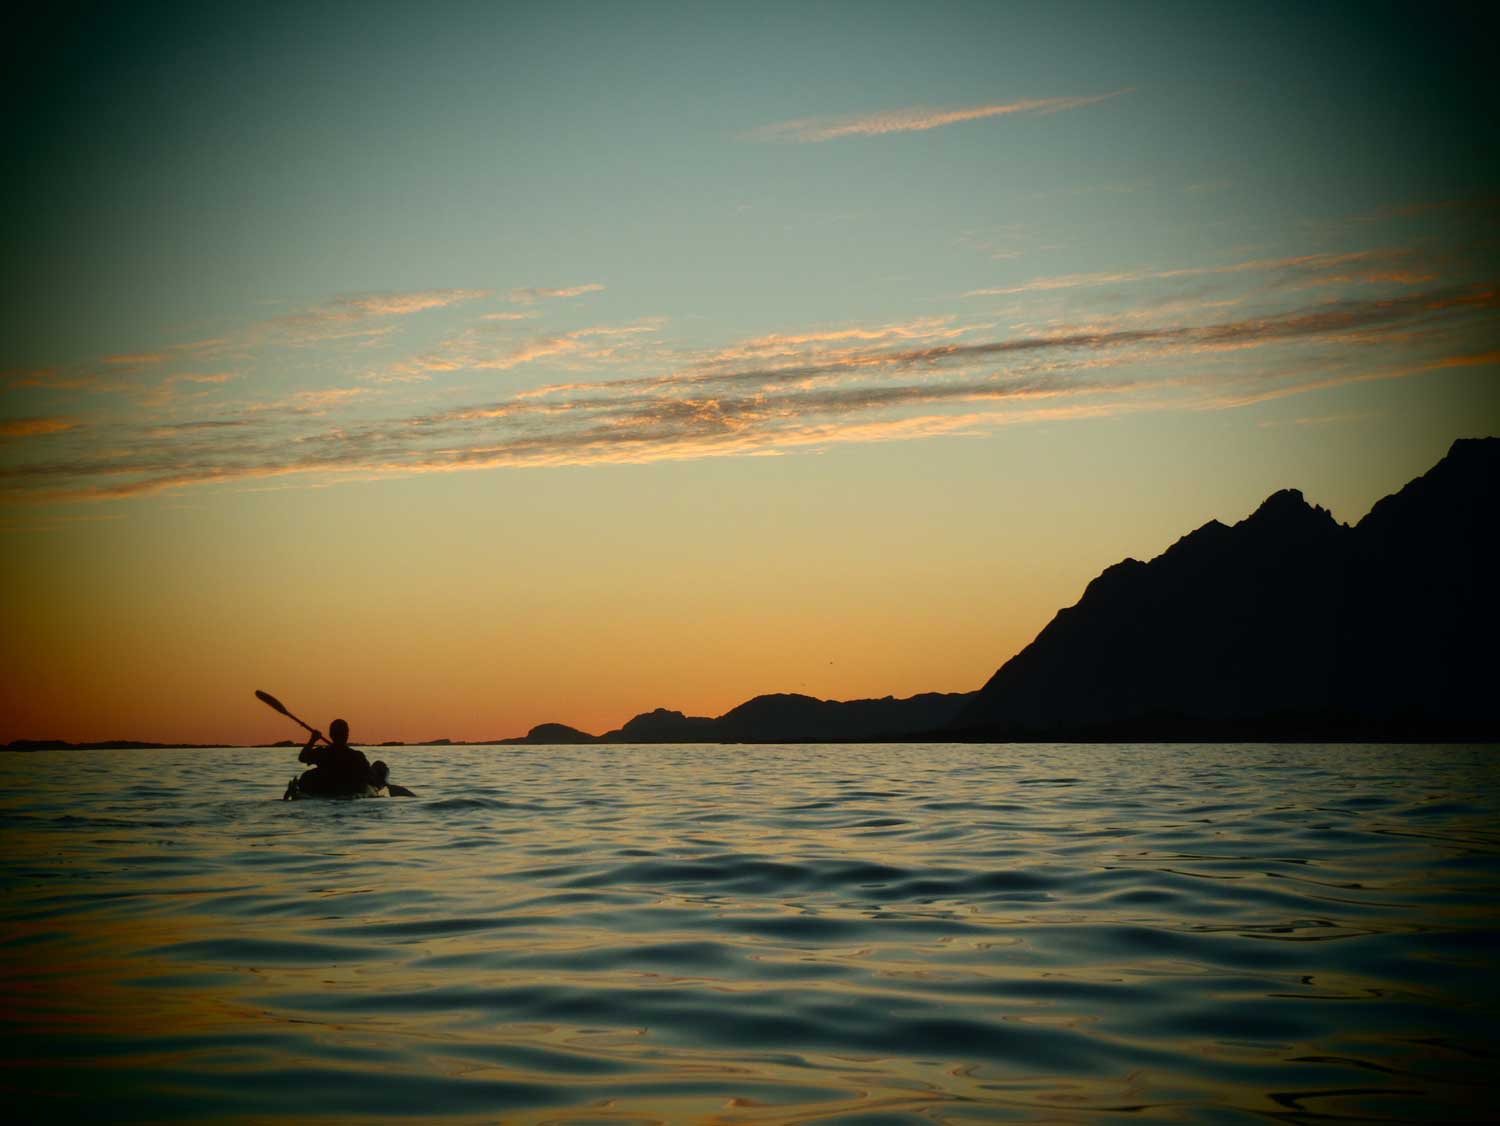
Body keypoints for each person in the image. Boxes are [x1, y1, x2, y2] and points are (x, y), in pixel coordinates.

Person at [293, 718, 372, 796]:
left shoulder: (322, 753)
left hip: (326, 787)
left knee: (307, 776)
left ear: (330, 735)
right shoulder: (357, 756)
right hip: (347, 789)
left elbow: (302, 757)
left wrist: (312, 740)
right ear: (347, 735)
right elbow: (368, 774)